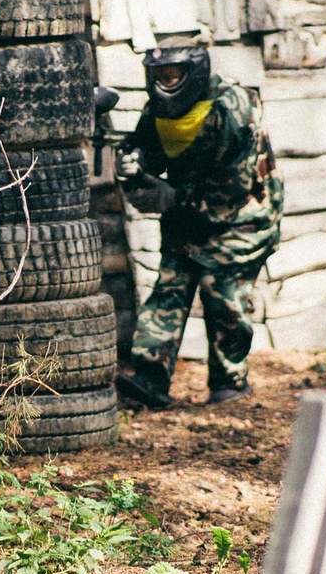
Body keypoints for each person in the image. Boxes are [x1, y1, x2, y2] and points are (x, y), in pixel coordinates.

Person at [114, 40, 283, 409]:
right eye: (158, 75)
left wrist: (171, 197)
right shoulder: (160, 109)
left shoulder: (232, 107)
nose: (164, 83)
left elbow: (234, 187)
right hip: (187, 216)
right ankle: (149, 379)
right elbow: (149, 149)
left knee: (225, 299)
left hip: (242, 219)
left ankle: (229, 385)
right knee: (168, 290)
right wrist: (134, 164)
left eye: (172, 75)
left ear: (194, 73)